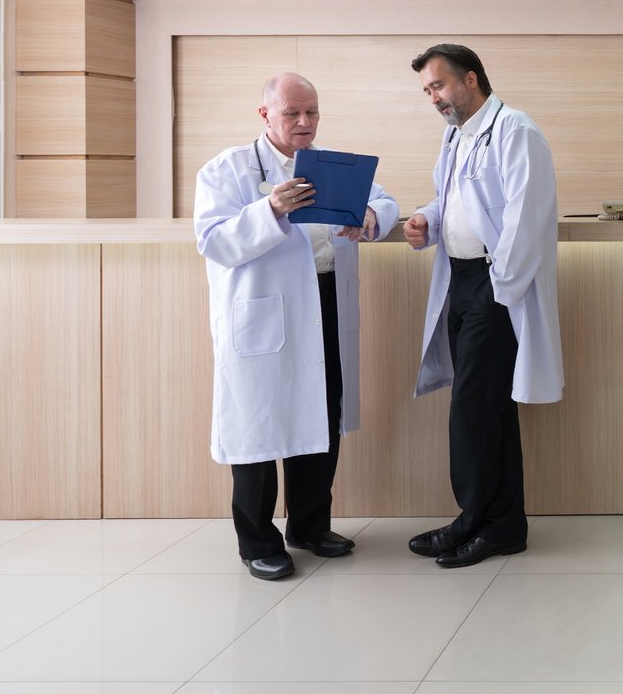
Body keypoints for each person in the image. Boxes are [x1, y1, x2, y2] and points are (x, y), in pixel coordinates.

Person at [193, 73, 398, 581]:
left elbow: (386, 202)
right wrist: (271, 208)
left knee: (321, 414)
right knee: (258, 425)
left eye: (312, 113)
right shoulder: (226, 170)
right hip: (265, 312)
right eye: (292, 114)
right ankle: (257, 540)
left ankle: (309, 526)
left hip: (324, 300)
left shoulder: (332, 166)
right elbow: (215, 241)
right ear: (265, 114)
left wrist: (370, 217)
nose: (304, 123)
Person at [402, 44, 562, 569]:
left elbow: (525, 218)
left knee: (473, 410)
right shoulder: (457, 135)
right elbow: (453, 198)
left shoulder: (516, 131)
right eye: (428, 90)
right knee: (491, 411)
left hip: (496, 287)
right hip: (462, 280)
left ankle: (475, 520)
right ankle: (503, 525)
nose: (434, 98)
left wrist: (499, 291)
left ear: (471, 79)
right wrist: (427, 219)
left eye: (439, 85)